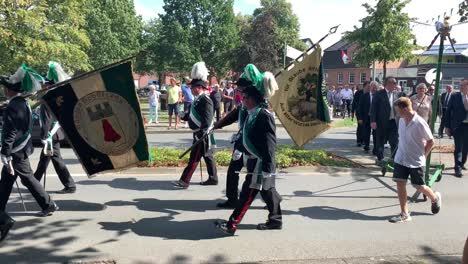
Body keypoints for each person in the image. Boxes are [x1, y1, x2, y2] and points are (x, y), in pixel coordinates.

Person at [215, 64, 281, 236]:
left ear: (253, 98)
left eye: (244, 97)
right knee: (265, 191)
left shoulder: (263, 115)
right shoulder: (252, 112)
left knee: (247, 193)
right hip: (252, 158)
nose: (242, 100)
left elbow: (269, 144)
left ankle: (232, 224)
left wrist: (268, 168)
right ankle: (276, 220)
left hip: (260, 163)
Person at [0, 65, 59, 242]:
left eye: (5, 87)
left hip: (16, 151)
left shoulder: (15, 106)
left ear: (9, 90)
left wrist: (6, 152)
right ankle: (1, 209)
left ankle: (48, 204)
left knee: (27, 178)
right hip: (20, 150)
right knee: (7, 181)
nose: (3, 89)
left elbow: (12, 132)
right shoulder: (19, 103)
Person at [389, 97, 441, 223]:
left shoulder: (419, 122)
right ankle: (404, 213)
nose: (397, 114)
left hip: (415, 160)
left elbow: (431, 141)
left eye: (399, 111)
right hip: (401, 158)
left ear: (405, 108)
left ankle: (435, 198)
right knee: (400, 184)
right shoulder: (401, 120)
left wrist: (424, 155)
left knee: (419, 186)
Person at [173, 62, 218, 188]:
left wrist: (203, 133)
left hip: (202, 134)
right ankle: (213, 178)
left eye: (192, 87)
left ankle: (184, 181)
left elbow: (208, 118)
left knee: (194, 159)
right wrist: (184, 116)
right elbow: (192, 115)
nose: (191, 89)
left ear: (199, 87)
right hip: (198, 133)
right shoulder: (197, 99)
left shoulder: (206, 99)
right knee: (207, 156)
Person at [34, 61, 76, 194]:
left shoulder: (48, 98)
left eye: (44, 84)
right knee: (45, 159)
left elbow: (46, 120)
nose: (42, 86)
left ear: (48, 85)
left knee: (56, 160)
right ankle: (34, 181)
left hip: (51, 135)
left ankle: (70, 185)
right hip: (55, 133)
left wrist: (44, 136)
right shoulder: (55, 96)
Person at [213, 78, 252, 209]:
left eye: (239, 89)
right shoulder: (243, 105)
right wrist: (217, 125)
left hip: (252, 146)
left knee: (259, 177)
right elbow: (231, 117)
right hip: (241, 143)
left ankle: (272, 202)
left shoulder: (255, 106)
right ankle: (232, 199)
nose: (237, 92)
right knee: (233, 171)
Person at [370, 76, 400, 163]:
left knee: (394, 141)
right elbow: (373, 108)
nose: (395, 85)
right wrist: (373, 121)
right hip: (381, 122)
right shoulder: (379, 94)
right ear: (388, 83)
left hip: (393, 122)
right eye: (394, 83)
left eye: (395, 83)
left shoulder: (397, 94)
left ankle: (394, 159)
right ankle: (380, 159)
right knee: (381, 141)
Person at [444, 79, 468, 178]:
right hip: (458, 125)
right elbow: (448, 112)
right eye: (460, 85)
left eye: (463, 85)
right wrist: (447, 126)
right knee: (458, 147)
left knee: (466, 147)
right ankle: (457, 168)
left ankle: (462, 163)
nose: (460, 87)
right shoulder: (455, 96)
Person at [358, 81, 377, 153]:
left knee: (375, 133)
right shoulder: (364, 96)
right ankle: (367, 145)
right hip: (366, 117)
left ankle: (375, 148)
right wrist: (360, 118)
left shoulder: (378, 96)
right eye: (372, 87)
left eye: (375, 87)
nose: (374, 89)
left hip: (375, 118)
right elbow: (360, 107)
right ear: (370, 87)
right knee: (366, 132)